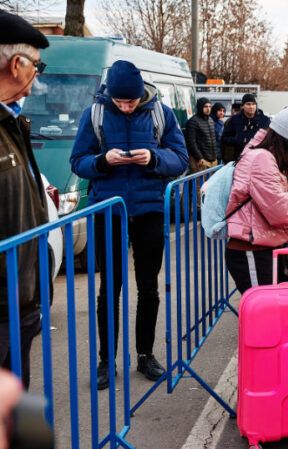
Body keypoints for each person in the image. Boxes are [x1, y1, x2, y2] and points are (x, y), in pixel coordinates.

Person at [71, 60, 189, 390]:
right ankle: (106, 361)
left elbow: (181, 159)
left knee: (149, 287)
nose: (126, 107)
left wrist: (153, 159)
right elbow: (78, 161)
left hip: (149, 210)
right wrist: (101, 161)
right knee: (109, 288)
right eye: (120, 102)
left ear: (141, 95)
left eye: (131, 102)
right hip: (108, 210)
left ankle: (145, 354)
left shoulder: (161, 113)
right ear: (110, 95)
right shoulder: (94, 114)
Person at [0, 11, 50, 389]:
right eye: (37, 66)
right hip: (4, 308)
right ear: (16, 65)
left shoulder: (13, 121)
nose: (36, 79)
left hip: (21, 305)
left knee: (22, 409)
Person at [224, 102, 288, 294]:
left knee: (270, 308)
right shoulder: (261, 160)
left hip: (261, 247)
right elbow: (282, 213)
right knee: (264, 309)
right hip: (253, 250)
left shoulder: (263, 156)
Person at [221, 93, 270, 164]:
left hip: (258, 160)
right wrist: (237, 139)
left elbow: (270, 139)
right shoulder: (234, 120)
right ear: (243, 106)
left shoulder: (264, 120)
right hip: (239, 159)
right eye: (248, 104)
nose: (251, 107)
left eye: (253, 104)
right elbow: (224, 138)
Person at [185, 97, 217, 171]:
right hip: (200, 161)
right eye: (205, 106)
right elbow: (191, 142)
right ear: (200, 107)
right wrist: (200, 158)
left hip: (212, 161)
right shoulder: (193, 121)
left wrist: (215, 157)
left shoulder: (211, 120)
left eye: (210, 106)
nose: (208, 109)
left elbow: (214, 140)